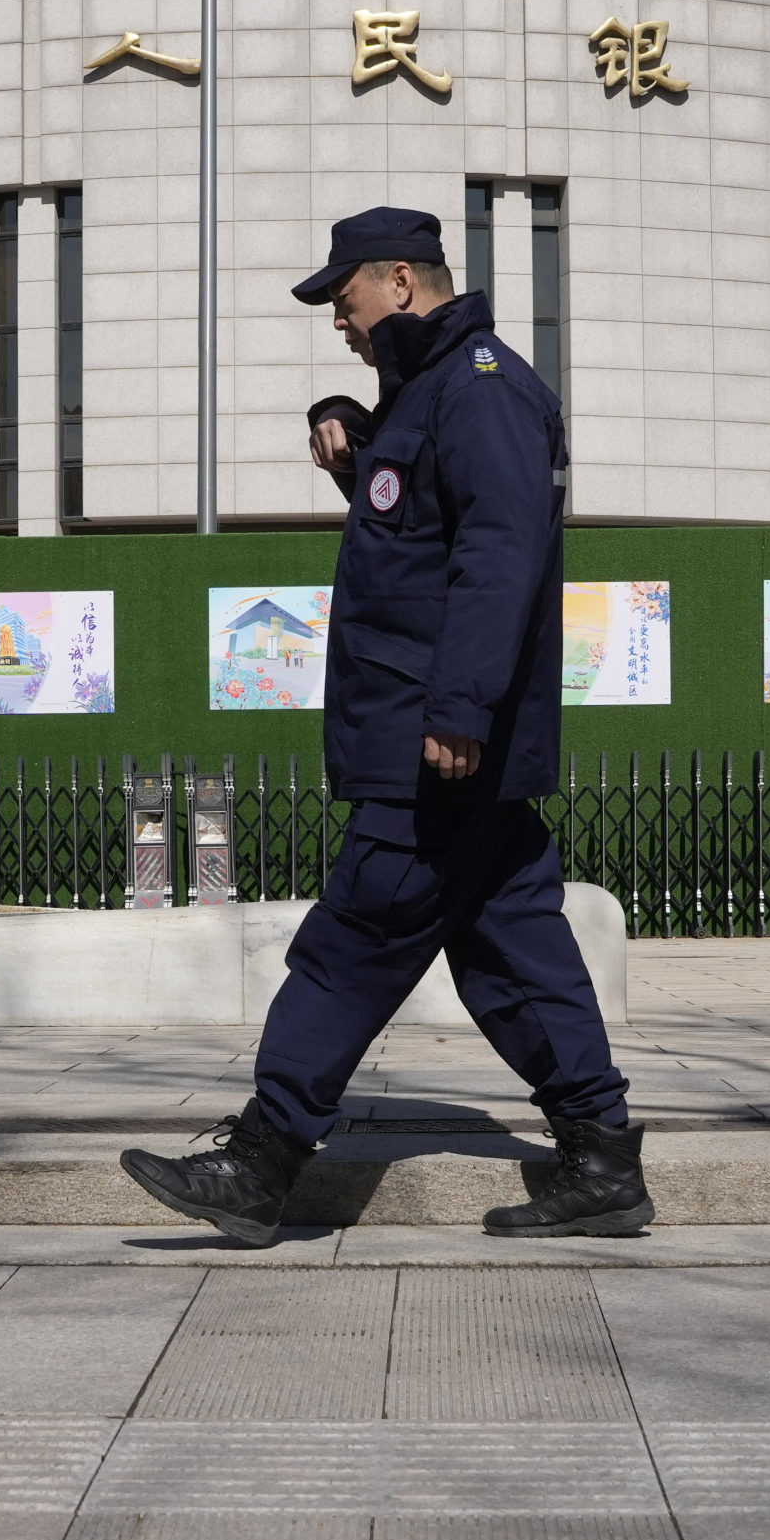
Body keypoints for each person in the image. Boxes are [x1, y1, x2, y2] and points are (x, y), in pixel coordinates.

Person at [119, 204, 650, 1245]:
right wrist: (354, 436)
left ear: (400, 281)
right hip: (444, 740)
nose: (338, 318)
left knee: (355, 937)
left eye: (345, 296)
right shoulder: (435, 394)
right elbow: (423, 522)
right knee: (511, 948)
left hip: (434, 743)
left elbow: (496, 560)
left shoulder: (483, 392)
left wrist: (458, 708)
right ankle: (601, 1158)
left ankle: (265, 1161)